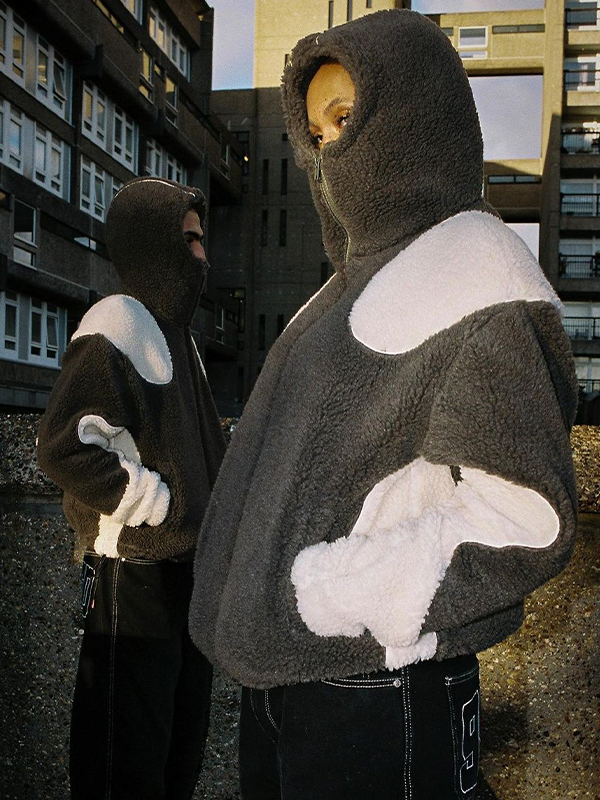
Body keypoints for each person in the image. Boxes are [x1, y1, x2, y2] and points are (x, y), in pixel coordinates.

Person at [189, 10, 578, 800]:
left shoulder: (476, 269)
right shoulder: (337, 294)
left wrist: (346, 594)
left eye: (346, 118)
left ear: (414, 112)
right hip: (289, 680)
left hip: (377, 683)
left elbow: (529, 516)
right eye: (317, 134)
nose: (330, 150)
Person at [37, 177, 226, 800]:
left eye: (201, 240)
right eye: (189, 241)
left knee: (178, 752)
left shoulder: (182, 338)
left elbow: (204, 447)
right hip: (135, 573)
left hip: (187, 574)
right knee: (125, 759)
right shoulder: (116, 321)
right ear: (152, 243)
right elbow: (61, 445)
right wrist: (150, 503)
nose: (202, 256)